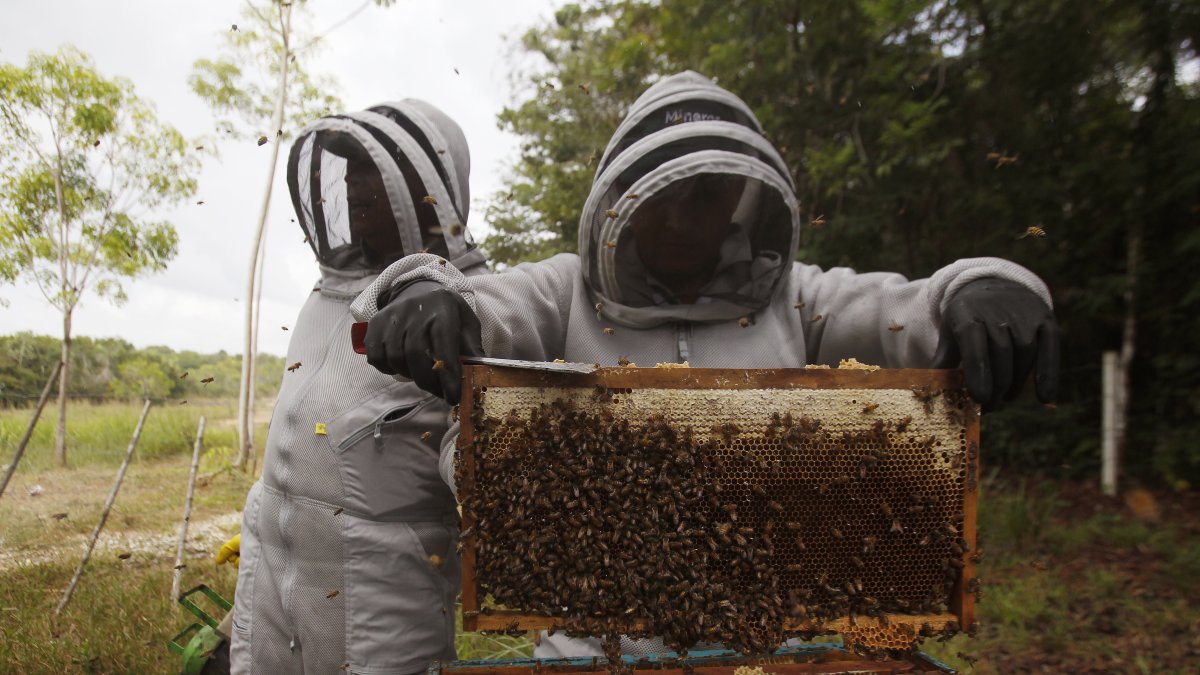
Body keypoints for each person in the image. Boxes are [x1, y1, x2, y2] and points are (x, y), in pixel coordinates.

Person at [352, 71, 1059, 657]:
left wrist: (981, 285)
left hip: (774, 649)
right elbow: (482, 302)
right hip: (593, 652)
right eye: (666, 195)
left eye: (707, 195)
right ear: (622, 200)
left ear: (741, 197)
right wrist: (427, 291)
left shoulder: (795, 297)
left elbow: (901, 309)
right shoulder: (564, 291)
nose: (685, 219)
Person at [228, 100, 486, 674]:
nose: (358, 185)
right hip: (270, 597)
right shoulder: (324, 296)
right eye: (350, 170)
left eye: (374, 168)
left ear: (430, 184)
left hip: (380, 618)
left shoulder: (465, 304)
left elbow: (480, 461)